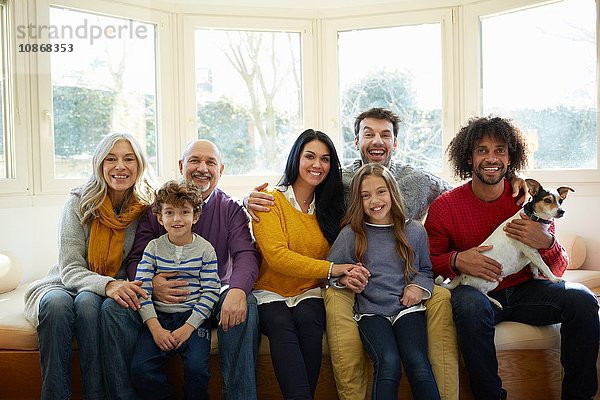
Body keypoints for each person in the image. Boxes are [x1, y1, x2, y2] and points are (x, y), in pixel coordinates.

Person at [247, 108, 457, 400]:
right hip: (338, 295)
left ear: (395, 142)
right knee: (291, 323)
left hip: (366, 296)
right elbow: (288, 226)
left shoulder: (411, 188)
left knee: (313, 322)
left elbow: (456, 196)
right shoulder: (333, 185)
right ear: (356, 141)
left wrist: (513, 182)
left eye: (385, 134)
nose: (377, 141)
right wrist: (339, 273)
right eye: (368, 133)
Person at [424, 115, 599, 400]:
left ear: (511, 157)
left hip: (526, 291)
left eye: (500, 150)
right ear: (468, 158)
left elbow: (557, 267)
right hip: (476, 291)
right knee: (469, 308)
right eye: (482, 150)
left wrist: (546, 241)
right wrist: (456, 260)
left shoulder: (527, 201)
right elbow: (427, 262)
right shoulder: (446, 206)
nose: (491, 158)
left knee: (583, 299)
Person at [100, 139, 261, 400]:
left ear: (221, 169)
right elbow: (136, 259)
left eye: (210, 162)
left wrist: (238, 291)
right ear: (181, 165)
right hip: (160, 302)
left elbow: (245, 254)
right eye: (195, 161)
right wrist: (152, 283)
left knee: (247, 303)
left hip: (210, 295)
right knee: (112, 308)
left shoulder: (230, 209)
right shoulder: (158, 208)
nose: (202, 168)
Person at [23, 133, 155, 400]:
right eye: (111, 159)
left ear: (139, 165)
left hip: (108, 289)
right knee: (57, 305)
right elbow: (70, 268)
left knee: (87, 303)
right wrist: (108, 284)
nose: (120, 166)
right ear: (100, 164)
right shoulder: (79, 202)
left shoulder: (148, 207)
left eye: (128, 159)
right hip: (63, 281)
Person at [251, 129, 364, 399]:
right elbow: (277, 257)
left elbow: (342, 252)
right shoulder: (270, 201)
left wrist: (341, 274)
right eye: (310, 156)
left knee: (310, 320)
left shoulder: (333, 207)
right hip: (271, 290)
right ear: (295, 158)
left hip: (310, 290)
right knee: (280, 322)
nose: (317, 165)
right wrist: (331, 269)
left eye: (325, 159)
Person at [328, 163, 440, 400]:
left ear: (392, 192)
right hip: (371, 313)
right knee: (388, 361)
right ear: (358, 201)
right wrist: (346, 278)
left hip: (406, 310)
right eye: (365, 195)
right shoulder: (351, 234)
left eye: (381, 192)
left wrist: (418, 287)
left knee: (417, 361)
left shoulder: (414, 232)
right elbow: (329, 272)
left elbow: (426, 271)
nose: (374, 200)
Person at [131, 180, 220, 400]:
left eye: (185, 212)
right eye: (169, 212)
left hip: (193, 320)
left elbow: (211, 292)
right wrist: (155, 328)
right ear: (160, 218)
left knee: (197, 370)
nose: (177, 219)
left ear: (196, 216)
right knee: (140, 369)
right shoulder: (153, 248)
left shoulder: (206, 250)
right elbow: (141, 288)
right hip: (159, 319)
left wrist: (188, 328)